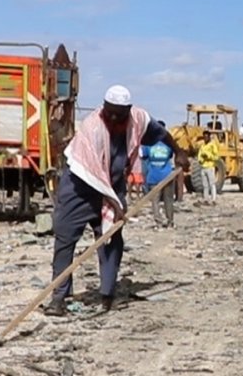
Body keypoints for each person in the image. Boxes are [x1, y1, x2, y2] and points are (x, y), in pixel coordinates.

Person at [45, 86, 189, 316]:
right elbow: (92, 170)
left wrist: (178, 151)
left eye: (118, 114)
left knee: (111, 240)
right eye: (109, 112)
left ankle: (107, 295)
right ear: (103, 108)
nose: (112, 118)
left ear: (128, 111)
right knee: (65, 237)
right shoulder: (92, 128)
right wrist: (113, 200)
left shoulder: (137, 121)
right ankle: (59, 297)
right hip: (80, 186)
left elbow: (160, 133)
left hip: (111, 186)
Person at [142, 122, 176, 228]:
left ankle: (158, 222)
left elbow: (143, 156)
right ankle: (170, 221)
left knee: (155, 201)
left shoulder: (148, 144)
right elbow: (170, 156)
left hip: (154, 176)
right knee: (168, 200)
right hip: (167, 175)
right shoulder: (168, 145)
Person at [198, 131, 221, 205]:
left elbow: (216, 156)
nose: (205, 138)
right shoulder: (202, 146)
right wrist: (201, 159)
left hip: (210, 167)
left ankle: (213, 199)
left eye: (206, 136)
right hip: (203, 167)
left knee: (212, 184)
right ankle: (206, 199)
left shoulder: (212, 145)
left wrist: (208, 156)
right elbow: (199, 155)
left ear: (209, 137)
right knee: (205, 185)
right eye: (204, 136)